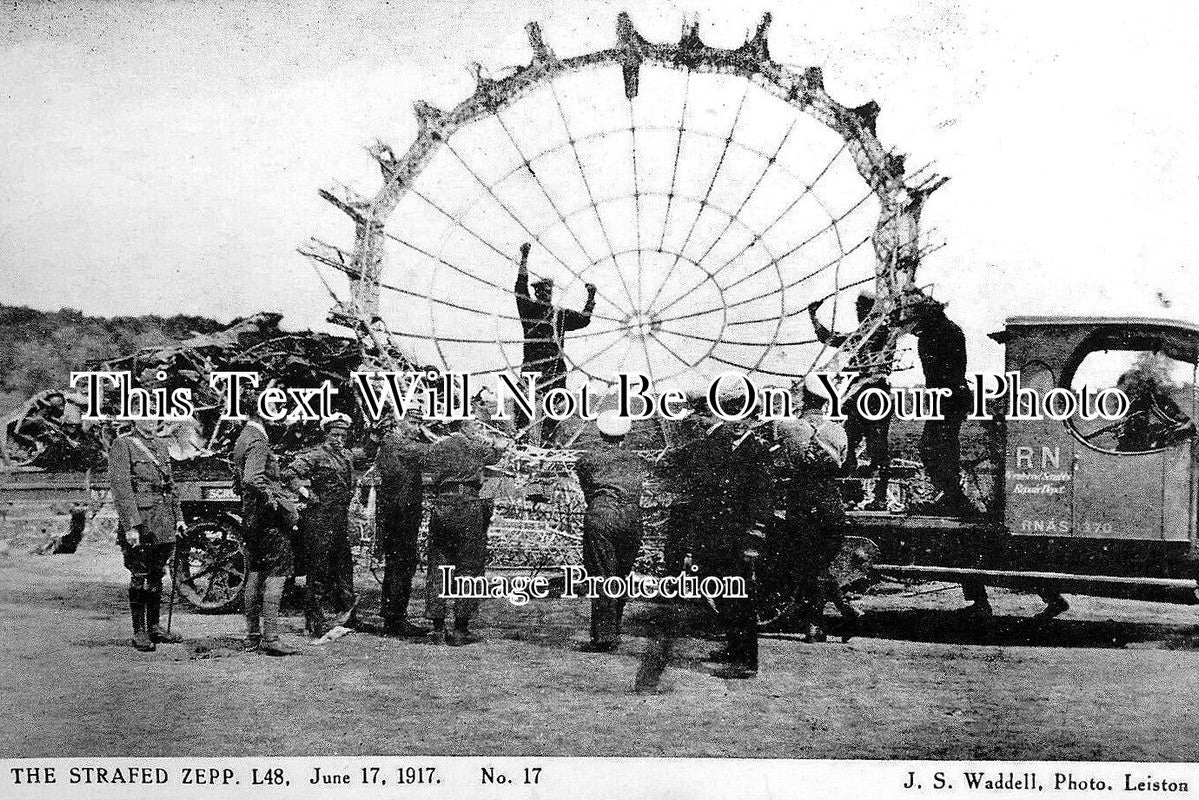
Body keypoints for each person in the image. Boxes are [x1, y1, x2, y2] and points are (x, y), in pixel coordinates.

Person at [671, 400, 774, 679]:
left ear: (752, 420)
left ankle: (747, 659)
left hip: (738, 538)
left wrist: (753, 541)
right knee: (718, 590)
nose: (737, 424)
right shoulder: (720, 447)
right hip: (715, 535)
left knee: (740, 596)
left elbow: (761, 500)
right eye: (732, 418)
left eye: (744, 419)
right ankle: (733, 646)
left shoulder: (757, 452)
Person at [775, 374, 860, 642]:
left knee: (805, 564)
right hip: (831, 502)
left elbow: (781, 460)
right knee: (819, 562)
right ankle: (845, 610)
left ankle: (817, 623)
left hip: (803, 500)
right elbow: (847, 465)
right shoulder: (839, 430)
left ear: (803, 399)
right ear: (825, 402)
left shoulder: (787, 427)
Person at [422, 418, 511, 645]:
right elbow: (499, 450)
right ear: (463, 427)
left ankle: (437, 626)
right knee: (469, 565)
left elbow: (428, 468)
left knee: (439, 565)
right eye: (475, 426)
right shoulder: (474, 447)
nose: (479, 429)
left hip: (441, 505)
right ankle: (461, 628)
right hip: (467, 504)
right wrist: (495, 442)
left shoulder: (437, 447)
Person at [808, 289, 893, 509]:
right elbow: (828, 339)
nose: (858, 312)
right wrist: (813, 317)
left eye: (861, 308)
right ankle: (852, 495)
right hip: (859, 394)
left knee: (877, 447)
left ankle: (879, 498)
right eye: (857, 308)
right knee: (849, 443)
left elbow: (834, 340)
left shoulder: (883, 332)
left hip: (874, 393)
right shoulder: (862, 334)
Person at [108, 416, 185, 652]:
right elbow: (121, 488)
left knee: (156, 574)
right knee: (139, 575)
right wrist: (131, 525)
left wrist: (179, 518)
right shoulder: (123, 444)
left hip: (163, 520)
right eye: (144, 414)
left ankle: (154, 626)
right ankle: (139, 631)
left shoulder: (161, 445)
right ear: (134, 418)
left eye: (155, 413)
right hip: (142, 521)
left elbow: (169, 486)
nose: (151, 419)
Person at [232, 403, 301, 656]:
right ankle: (270, 638)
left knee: (256, 572)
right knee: (278, 572)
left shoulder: (244, 437)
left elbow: (239, 481)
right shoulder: (259, 441)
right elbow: (252, 479)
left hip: (252, 516)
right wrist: (274, 498)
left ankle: (252, 636)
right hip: (268, 519)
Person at [574, 410, 646, 652]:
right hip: (631, 517)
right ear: (625, 435)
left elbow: (587, 488)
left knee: (602, 575)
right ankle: (614, 627)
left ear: (600, 432)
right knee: (621, 575)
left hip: (602, 514)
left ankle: (604, 636)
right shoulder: (636, 461)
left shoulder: (586, 460)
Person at [514, 241, 597, 444]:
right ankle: (521, 441)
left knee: (554, 407)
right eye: (541, 292)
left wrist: (591, 297)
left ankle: (547, 444)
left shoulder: (559, 315)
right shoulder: (529, 310)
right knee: (523, 402)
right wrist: (524, 258)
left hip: (553, 366)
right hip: (535, 365)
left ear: (551, 293)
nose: (544, 294)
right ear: (536, 294)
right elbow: (519, 287)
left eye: (547, 292)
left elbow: (584, 319)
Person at [284, 414, 358, 639]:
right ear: (326, 434)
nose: (338, 438)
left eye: (343, 435)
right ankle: (315, 622)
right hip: (320, 519)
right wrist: (306, 492)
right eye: (334, 434)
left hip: (339, 519)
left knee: (344, 567)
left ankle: (348, 617)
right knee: (318, 571)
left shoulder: (346, 456)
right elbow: (290, 473)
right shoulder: (317, 455)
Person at [898, 292, 972, 515]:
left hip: (948, 397)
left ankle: (953, 497)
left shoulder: (940, 333)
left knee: (936, 446)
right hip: (949, 396)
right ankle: (951, 495)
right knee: (940, 446)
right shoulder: (946, 330)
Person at [375, 414, 431, 637]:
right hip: (399, 513)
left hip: (399, 512)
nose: (418, 428)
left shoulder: (394, 443)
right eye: (414, 423)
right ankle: (394, 619)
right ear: (399, 423)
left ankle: (394, 616)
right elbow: (429, 453)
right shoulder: (397, 444)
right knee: (401, 563)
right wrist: (434, 437)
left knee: (400, 563)